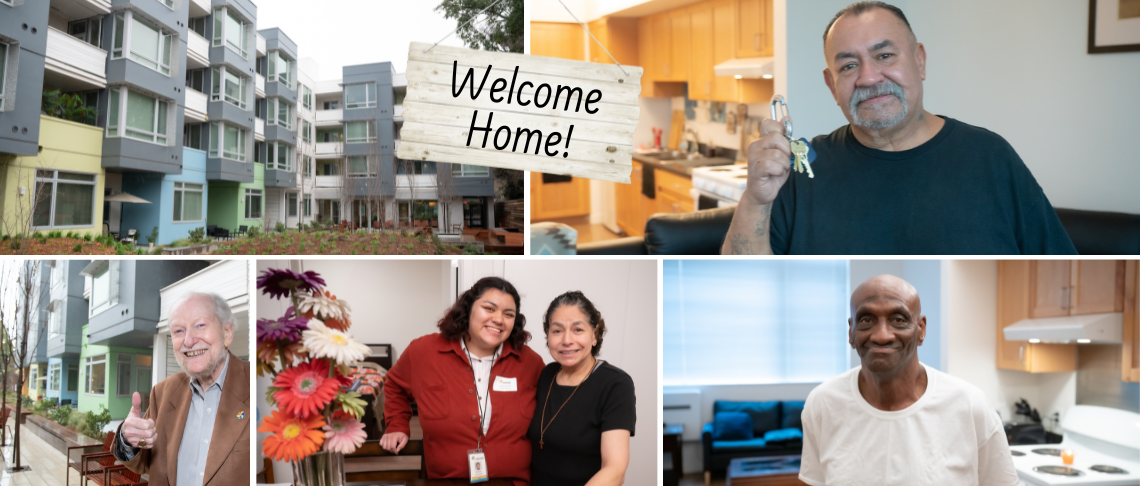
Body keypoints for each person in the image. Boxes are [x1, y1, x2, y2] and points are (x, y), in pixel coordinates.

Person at [722, 1, 1076, 255]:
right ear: (832, 85)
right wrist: (755, 198)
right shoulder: (803, 168)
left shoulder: (991, 156)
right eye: (848, 66)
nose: (869, 77)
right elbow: (745, 282)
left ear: (919, 61)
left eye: (885, 56)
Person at [798, 275, 1019, 485]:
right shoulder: (822, 404)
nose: (882, 335)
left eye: (898, 320)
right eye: (866, 320)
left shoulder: (970, 406)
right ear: (851, 332)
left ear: (920, 329)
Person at [381, 277, 544, 485]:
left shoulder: (531, 362)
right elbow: (394, 385)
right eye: (489, 308)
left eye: (508, 314)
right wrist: (397, 424)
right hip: (445, 481)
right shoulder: (423, 352)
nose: (499, 319)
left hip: (513, 482)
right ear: (468, 309)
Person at [114, 292, 250, 486]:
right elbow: (144, 458)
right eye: (178, 331)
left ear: (227, 332)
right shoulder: (162, 393)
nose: (188, 341)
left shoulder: (258, 382)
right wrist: (128, 439)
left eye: (200, 325)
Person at [529, 291, 635, 486]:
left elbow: (615, 469)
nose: (567, 340)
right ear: (548, 336)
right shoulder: (547, 375)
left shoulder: (615, 384)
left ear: (594, 335)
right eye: (557, 330)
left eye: (578, 329)